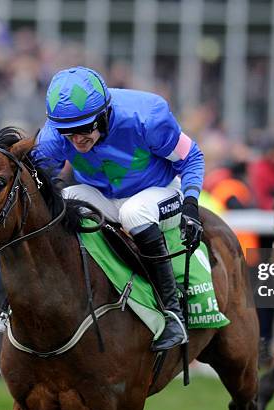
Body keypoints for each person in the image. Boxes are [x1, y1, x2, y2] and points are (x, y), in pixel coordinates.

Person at [31, 66, 204, 352]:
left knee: (133, 212)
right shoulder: (54, 134)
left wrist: (191, 204)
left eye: (85, 129)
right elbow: (38, 185)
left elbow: (191, 158)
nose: (76, 140)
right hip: (102, 196)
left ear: (104, 114)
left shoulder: (149, 116)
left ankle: (173, 313)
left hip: (157, 192)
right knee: (63, 201)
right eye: (67, 133)